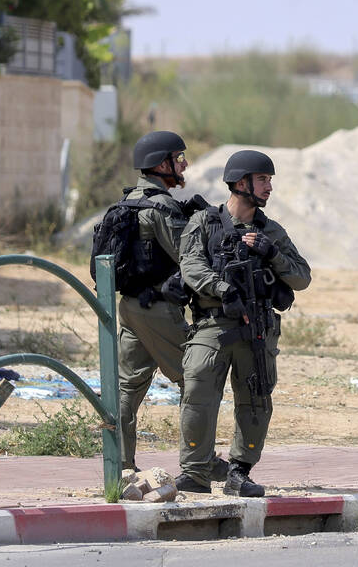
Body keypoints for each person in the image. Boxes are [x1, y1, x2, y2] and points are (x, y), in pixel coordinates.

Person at [176, 149, 311, 496]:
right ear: (241, 183)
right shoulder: (204, 223)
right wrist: (222, 289)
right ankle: (195, 472)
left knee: (256, 399)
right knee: (197, 392)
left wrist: (272, 254)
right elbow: (191, 267)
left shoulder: (271, 231)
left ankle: (239, 472)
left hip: (257, 330)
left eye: (269, 180)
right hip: (213, 325)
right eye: (263, 180)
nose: (269, 187)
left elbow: (301, 278)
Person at [116, 130, 227, 480]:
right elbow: (189, 258)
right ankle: (200, 463)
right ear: (159, 164)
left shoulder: (129, 200)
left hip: (131, 306)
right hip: (158, 309)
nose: (184, 164)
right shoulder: (161, 206)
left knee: (127, 386)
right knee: (198, 378)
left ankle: (119, 464)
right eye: (178, 159)